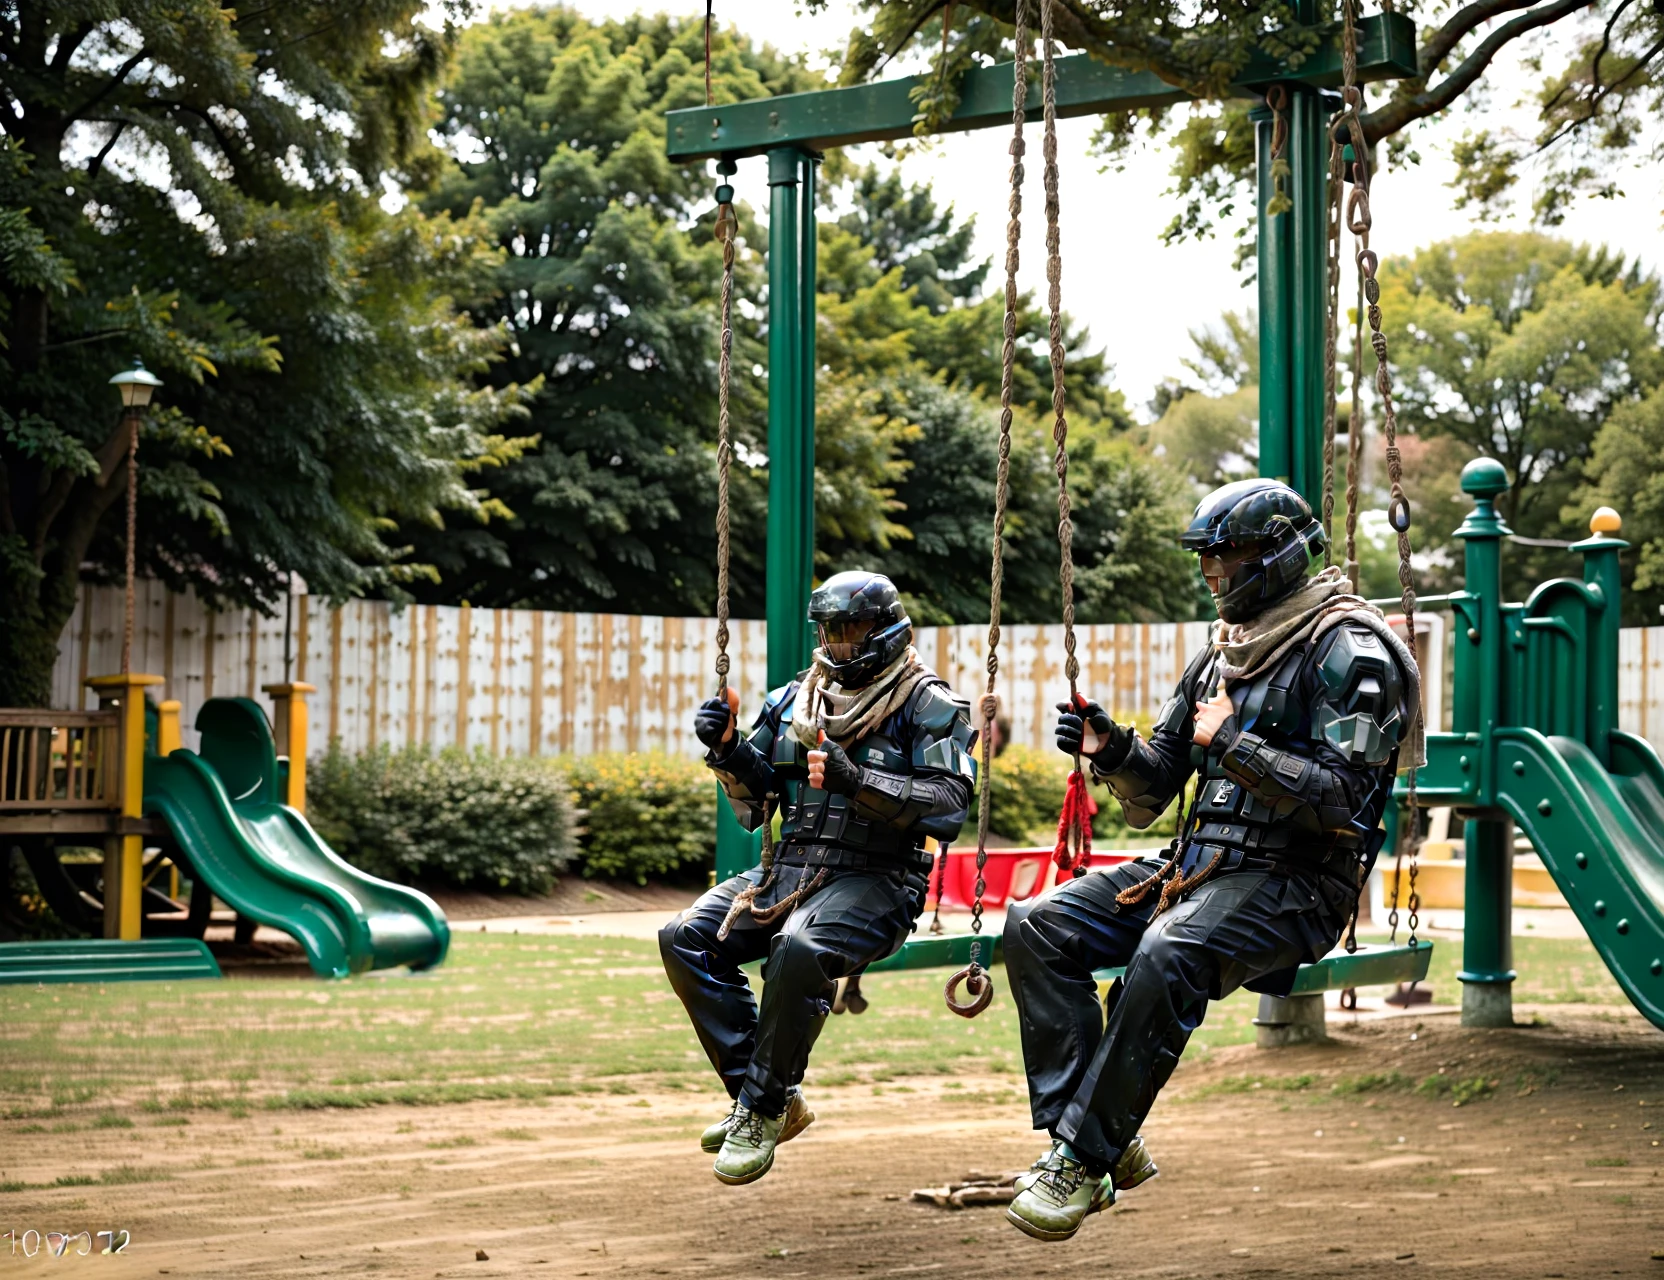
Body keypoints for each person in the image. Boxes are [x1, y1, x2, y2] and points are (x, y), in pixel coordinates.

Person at [1001, 478, 1422, 1242]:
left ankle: (1079, 1158)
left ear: (1279, 555)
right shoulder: (1220, 654)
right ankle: (1104, 1129)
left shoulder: (1351, 651)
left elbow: (1343, 802)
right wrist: (1113, 747)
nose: (1215, 576)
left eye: (1227, 560)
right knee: (1036, 924)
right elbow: (1159, 779)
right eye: (1209, 563)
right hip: (1196, 869)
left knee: (1170, 951)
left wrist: (1232, 742)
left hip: (1298, 885)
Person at [660, 570, 976, 1185]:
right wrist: (727, 752)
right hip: (790, 870)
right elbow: (760, 804)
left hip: (879, 879)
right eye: (830, 630)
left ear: (887, 631)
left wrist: (858, 780)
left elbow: (949, 807)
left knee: (799, 946)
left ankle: (759, 1106)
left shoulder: (928, 704)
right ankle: (769, 1097)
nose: (837, 643)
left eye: (851, 629)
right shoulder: (790, 701)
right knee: (684, 936)